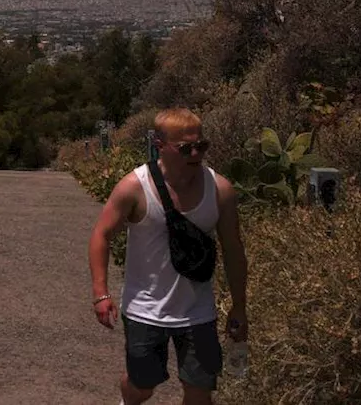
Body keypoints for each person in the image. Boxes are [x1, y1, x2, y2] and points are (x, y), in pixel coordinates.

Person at [88, 107, 249, 405]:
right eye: (186, 148)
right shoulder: (134, 187)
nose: (195, 154)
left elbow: (234, 250)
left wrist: (239, 307)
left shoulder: (220, 190)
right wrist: (101, 293)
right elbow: (101, 235)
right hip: (145, 309)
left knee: (200, 393)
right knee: (142, 386)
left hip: (198, 312)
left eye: (202, 146)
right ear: (160, 145)